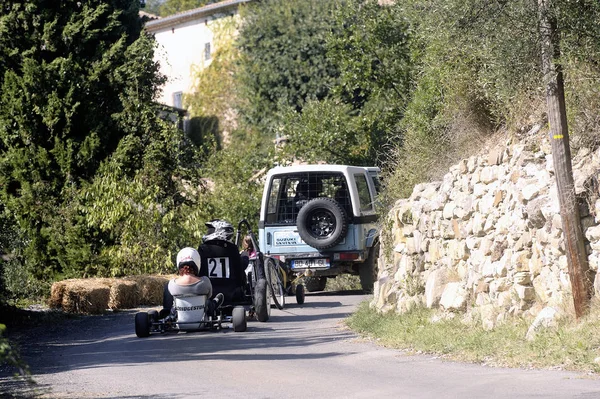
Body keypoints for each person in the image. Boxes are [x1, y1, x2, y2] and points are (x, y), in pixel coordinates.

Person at [160, 247, 223, 319]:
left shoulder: (172, 284)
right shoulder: (205, 281)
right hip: (202, 320)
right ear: (197, 263)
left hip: (179, 321)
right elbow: (209, 296)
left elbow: (168, 304)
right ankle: (215, 303)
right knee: (208, 302)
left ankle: (169, 317)